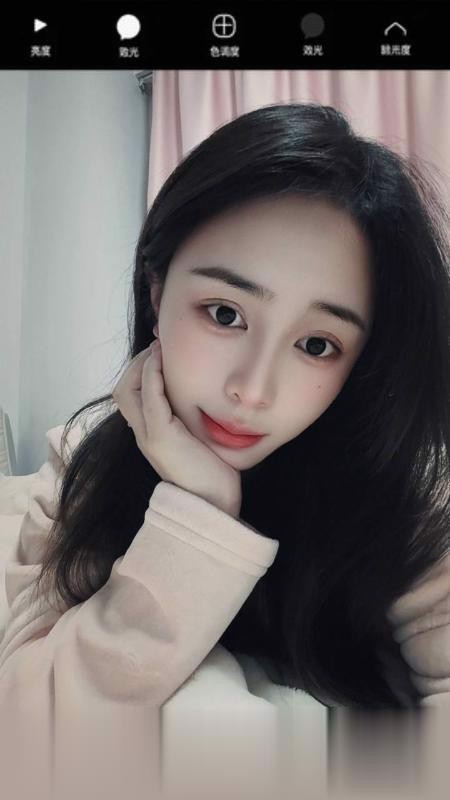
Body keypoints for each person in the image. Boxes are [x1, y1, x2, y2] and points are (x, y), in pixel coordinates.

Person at [0, 103, 449, 797]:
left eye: (317, 344)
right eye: (225, 313)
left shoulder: (407, 493)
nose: (253, 390)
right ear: (156, 291)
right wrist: (198, 518)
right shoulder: (86, 460)